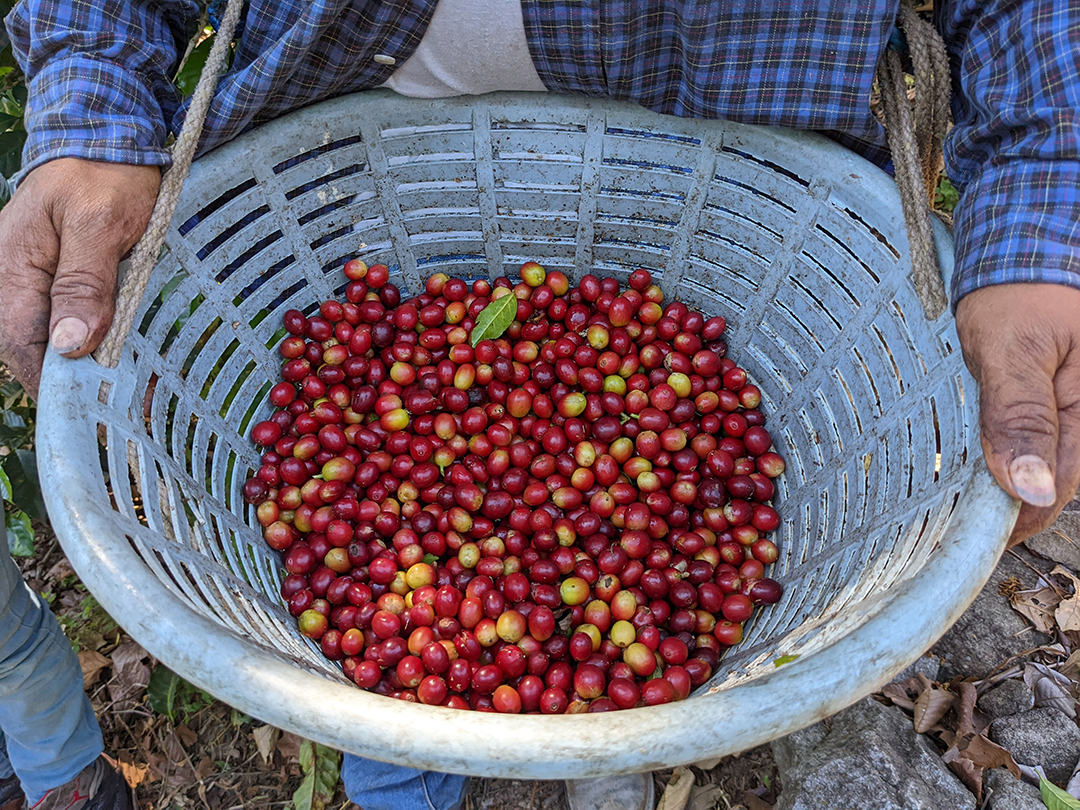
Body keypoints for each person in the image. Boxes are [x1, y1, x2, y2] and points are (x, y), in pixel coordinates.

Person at [0, 1, 1077, 809]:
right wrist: (92, 92)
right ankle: (409, 772)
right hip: (349, 176)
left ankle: (597, 762)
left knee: (525, 673)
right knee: (379, 687)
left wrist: (1046, 203)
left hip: (741, 181)